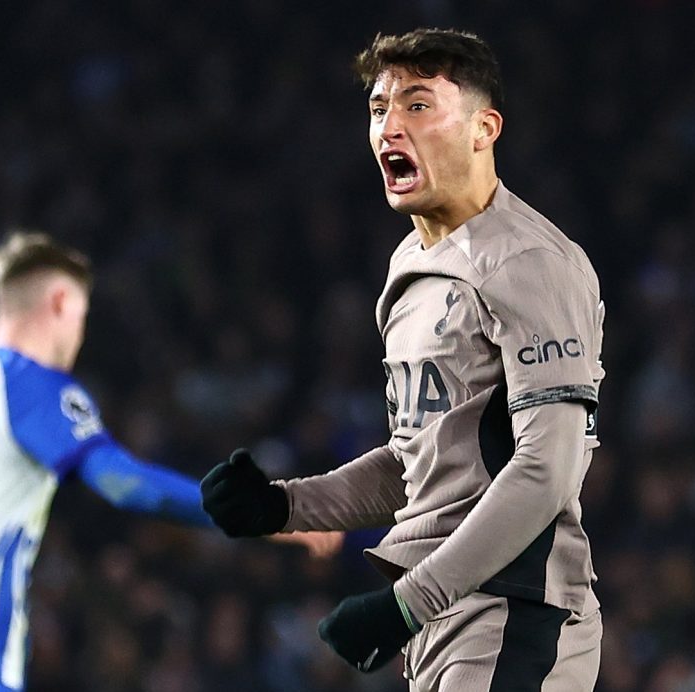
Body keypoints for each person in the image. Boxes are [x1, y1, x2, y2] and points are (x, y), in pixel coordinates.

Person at [202, 28, 605, 691]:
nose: (391, 125)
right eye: (378, 107)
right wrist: (283, 506)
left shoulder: (529, 262)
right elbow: (420, 460)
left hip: (514, 612)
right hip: (443, 618)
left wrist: (406, 604)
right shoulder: (411, 264)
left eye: (417, 104)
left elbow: (547, 468)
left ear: (484, 129)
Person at [0, 232, 338, 692]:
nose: (79, 337)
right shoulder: (35, 385)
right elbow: (128, 486)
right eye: (81, 317)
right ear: (60, 302)